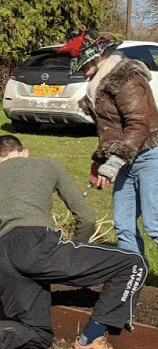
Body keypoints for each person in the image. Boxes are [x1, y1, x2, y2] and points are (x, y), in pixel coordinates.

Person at [0, 135, 146, 349]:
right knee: (133, 263)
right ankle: (90, 341)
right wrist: (76, 249)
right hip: (37, 245)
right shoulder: (48, 165)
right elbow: (86, 219)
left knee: (38, 333)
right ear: (25, 152)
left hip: (5, 254)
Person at [61, 26, 158, 258]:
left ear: (99, 56)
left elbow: (138, 125)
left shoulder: (127, 79)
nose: (83, 72)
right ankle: (132, 279)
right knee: (123, 226)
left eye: (84, 65)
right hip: (125, 159)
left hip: (149, 156)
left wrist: (114, 163)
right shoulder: (98, 83)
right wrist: (99, 163)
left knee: (154, 225)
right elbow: (110, 131)